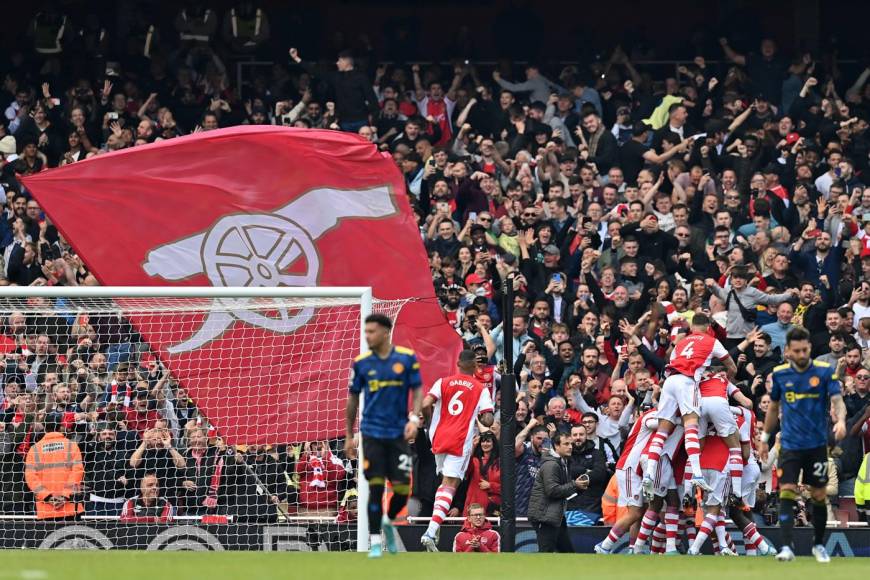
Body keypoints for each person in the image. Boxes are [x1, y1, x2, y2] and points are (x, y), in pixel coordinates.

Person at [763, 326, 847, 563]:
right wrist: (764, 438)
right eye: (796, 350)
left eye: (805, 349)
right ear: (788, 351)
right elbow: (772, 408)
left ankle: (818, 545)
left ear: (810, 347)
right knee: (787, 491)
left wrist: (840, 420)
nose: (801, 354)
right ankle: (787, 547)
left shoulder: (823, 371)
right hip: (790, 444)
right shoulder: (780, 374)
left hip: (817, 444)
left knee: (819, 495)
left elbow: (837, 400)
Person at [344, 313, 422, 558]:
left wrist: (414, 418)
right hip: (372, 434)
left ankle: (388, 521)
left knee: (401, 489)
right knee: (375, 487)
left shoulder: (407, 359)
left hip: (398, 434)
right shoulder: (362, 362)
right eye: (365, 331)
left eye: (371, 331)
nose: (367, 336)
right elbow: (353, 399)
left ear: (386, 332)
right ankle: (376, 541)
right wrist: (349, 434)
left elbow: (418, 389)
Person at [642, 313, 736, 497]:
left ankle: (649, 474)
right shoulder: (712, 341)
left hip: (670, 381)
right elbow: (730, 365)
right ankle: (698, 474)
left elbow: (671, 360)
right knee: (691, 426)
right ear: (708, 327)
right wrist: (727, 377)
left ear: (692, 327)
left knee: (662, 431)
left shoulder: (682, 342)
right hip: (687, 381)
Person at [420, 349, 495, 551]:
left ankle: (433, 529)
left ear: (458, 364)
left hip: (438, 438)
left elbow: (426, 403)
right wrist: (485, 417)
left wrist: (429, 423)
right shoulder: (480, 388)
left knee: (444, 483)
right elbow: (487, 419)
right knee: (450, 484)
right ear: (473, 366)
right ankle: (430, 530)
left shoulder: (442, 382)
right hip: (459, 440)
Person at [527, 431, 588, 553]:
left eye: (571, 444)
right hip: (545, 517)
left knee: (567, 552)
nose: (570, 447)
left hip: (555, 516)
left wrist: (577, 488)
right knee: (546, 553)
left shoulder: (563, 462)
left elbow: (562, 490)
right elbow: (552, 491)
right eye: (566, 444)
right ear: (556, 446)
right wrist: (574, 484)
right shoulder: (551, 465)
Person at [24, 416, 84, 520]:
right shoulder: (72, 445)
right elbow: (77, 472)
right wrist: (65, 496)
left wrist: (47, 497)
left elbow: (31, 478)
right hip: (70, 507)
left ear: (44, 427)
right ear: (60, 426)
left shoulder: (34, 449)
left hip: (45, 509)